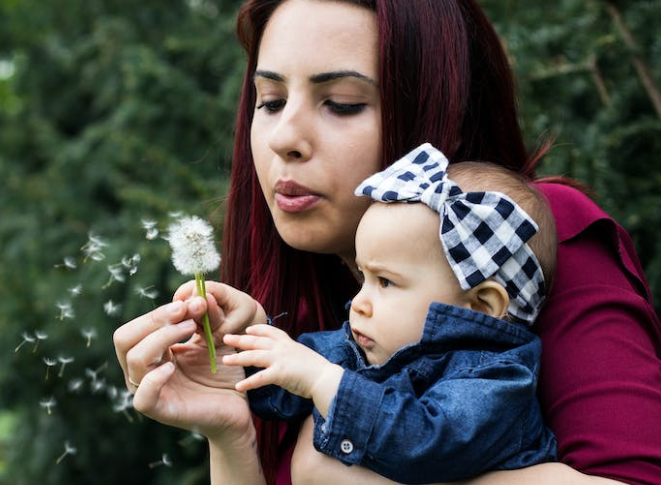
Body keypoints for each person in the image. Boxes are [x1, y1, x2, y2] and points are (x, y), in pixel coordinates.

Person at [113, 0, 661, 484]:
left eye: (343, 103)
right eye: (271, 100)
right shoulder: (318, 315)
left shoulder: (522, 235)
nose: (284, 138)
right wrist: (229, 430)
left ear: (435, 103)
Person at [221, 143, 558, 483]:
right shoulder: (369, 346)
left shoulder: (498, 380)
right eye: (363, 278)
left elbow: (425, 443)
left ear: (483, 306)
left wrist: (324, 381)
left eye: (385, 282)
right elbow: (291, 374)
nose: (359, 303)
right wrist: (240, 345)